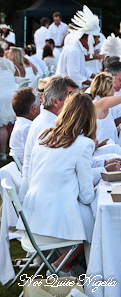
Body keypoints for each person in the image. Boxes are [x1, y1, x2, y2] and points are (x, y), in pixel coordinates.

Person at [18, 91, 96, 248]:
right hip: (54, 226)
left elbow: (34, 174)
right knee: (97, 225)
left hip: (31, 220)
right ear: (89, 119)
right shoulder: (84, 144)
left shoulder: (44, 135)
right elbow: (87, 196)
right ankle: (63, 265)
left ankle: (65, 263)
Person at [19, 76, 78, 203]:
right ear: (55, 101)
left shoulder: (51, 120)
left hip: (48, 191)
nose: (76, 104)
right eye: (71, 99)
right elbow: (59, 172)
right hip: (45, 199)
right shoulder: (47, 127)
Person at [56, 6, 101, 88]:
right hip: (63, 91)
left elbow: (82, 70)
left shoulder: (77, 48)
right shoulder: (74, 50)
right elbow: (74, 76)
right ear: (88, 38)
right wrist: (95, 84)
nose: (96, 43)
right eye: (95, 41)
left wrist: (97, 77)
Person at [89, 72, 121, 146]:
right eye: (112, 88)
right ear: (107, 89)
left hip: (111, 147)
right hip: (104, 151)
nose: (114, 91)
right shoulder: (99, 103)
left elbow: (106, 131)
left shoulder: (103, 105)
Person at [9, 88, 40, 164]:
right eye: (39, 104)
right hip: (31, 168)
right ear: (34, 109)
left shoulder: (22, 124)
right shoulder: (27, 128)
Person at [0, 46, 17, 160]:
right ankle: (13, 151)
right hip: (13, 94)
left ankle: (2, 154)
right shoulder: (9, 63)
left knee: (2, 127)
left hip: (1, 95)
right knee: (10, 125)